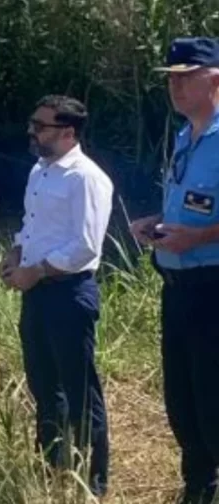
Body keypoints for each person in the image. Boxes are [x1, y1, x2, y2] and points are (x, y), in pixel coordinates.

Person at [0, 95, 113, 497]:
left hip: (69, 293)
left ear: (68, 132)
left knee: (80, 390)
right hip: (37, 294)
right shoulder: (40, 171)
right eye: (32, 123)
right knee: (44, 385)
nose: (32, 132)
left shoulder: (86, 178)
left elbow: (85, 245)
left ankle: (93, 483)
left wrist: (36, 271)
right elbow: (32, 226)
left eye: (40, 126)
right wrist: (16, 254)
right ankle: (53, 469)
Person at [130, 37, 219, 504]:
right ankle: (198, 487)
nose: (176, 87)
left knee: (213, 401)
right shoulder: (185, 137)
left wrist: (198, 238)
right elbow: (191, 208)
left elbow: (203, 227)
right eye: (170, 79)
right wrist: (157, 225)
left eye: (187, 77)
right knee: (182, 401)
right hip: (177, 288)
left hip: (212, 289)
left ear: (216, 80)